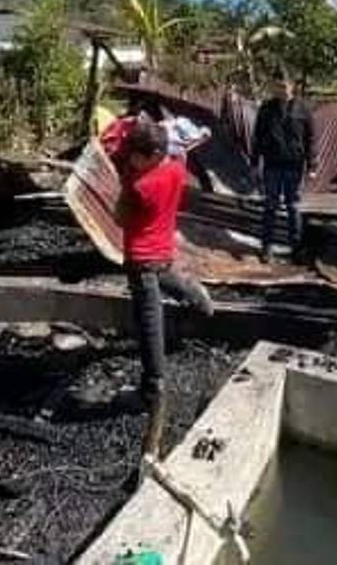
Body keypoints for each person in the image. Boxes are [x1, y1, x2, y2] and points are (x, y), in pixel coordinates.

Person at [117, 120, 213, 456]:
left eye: (136, 155)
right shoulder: (175, 168)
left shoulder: (140, 187)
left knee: (149, 325)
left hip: (141, 261)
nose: (130, 159)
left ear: (153, 154)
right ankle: (203, 303)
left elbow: (119, 218)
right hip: (163, 255)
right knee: (172, 281)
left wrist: (126, 182)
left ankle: (154, 387)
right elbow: (179, 152)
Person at [251, 75, 316, 263]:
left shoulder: (303, 110)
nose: (281, 90)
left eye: (284, 86)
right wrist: (254, 163)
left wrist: (312, 165)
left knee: (293, 206)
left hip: (294, 166)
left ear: (292, 86)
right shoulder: (266, 109)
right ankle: (267, 247)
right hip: (272, 165)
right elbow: (257, 137)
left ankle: (296, 248)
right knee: (270, 205)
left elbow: (310, 139)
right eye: (278, 86)